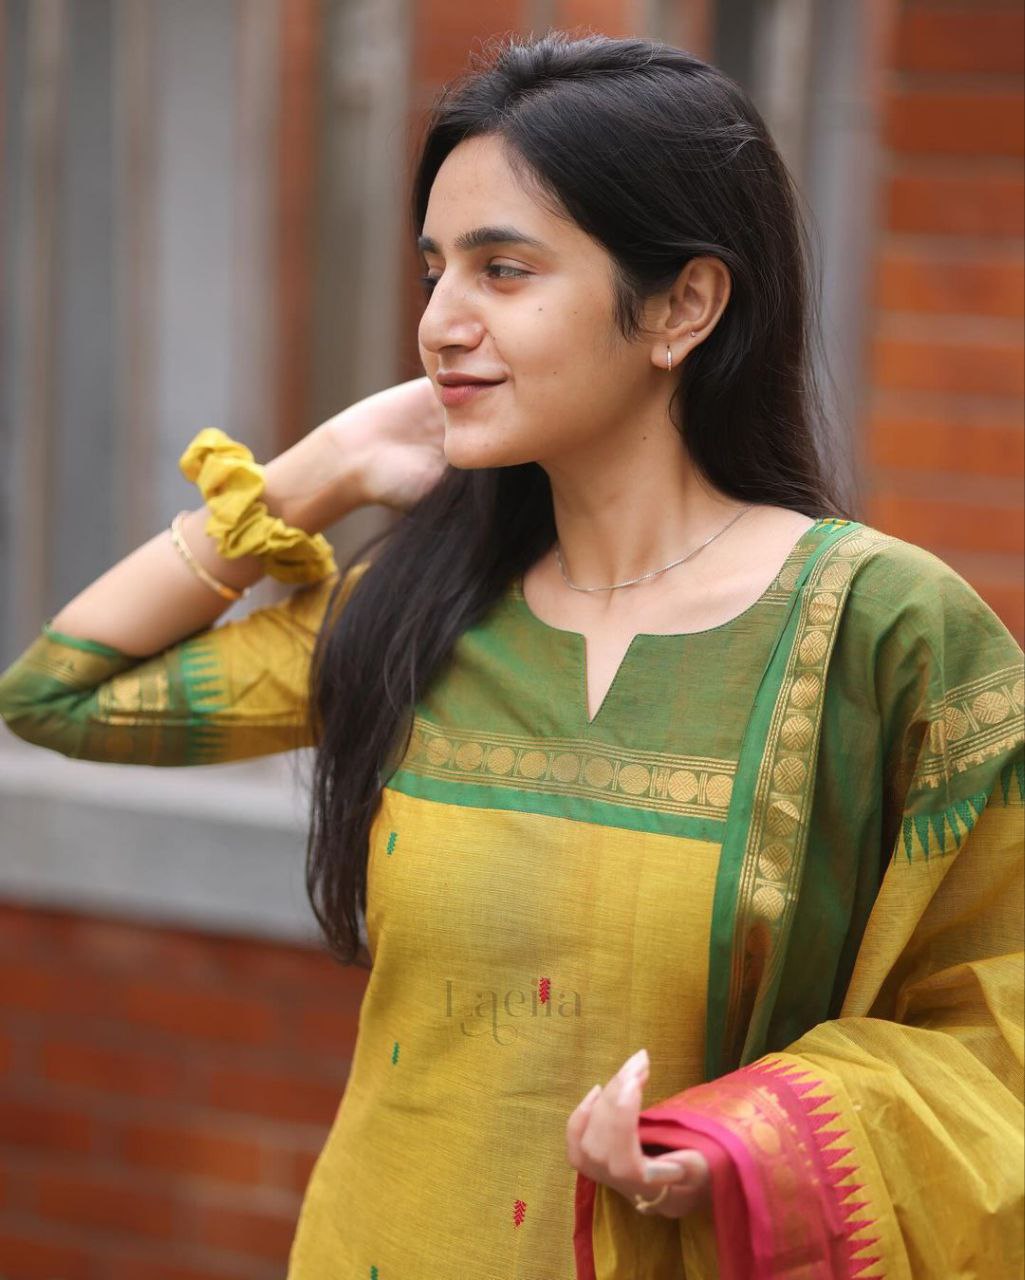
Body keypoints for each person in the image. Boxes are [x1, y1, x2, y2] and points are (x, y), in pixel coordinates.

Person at [1, 30, 1022, 1280]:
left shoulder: (878, 630)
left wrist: (734, 1149)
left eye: (502, 269)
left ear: (683, 306)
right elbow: (58, 694)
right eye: (432, 270)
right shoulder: (418, 610)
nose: (439, 322)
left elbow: (996, 1012)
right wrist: (316, 472)